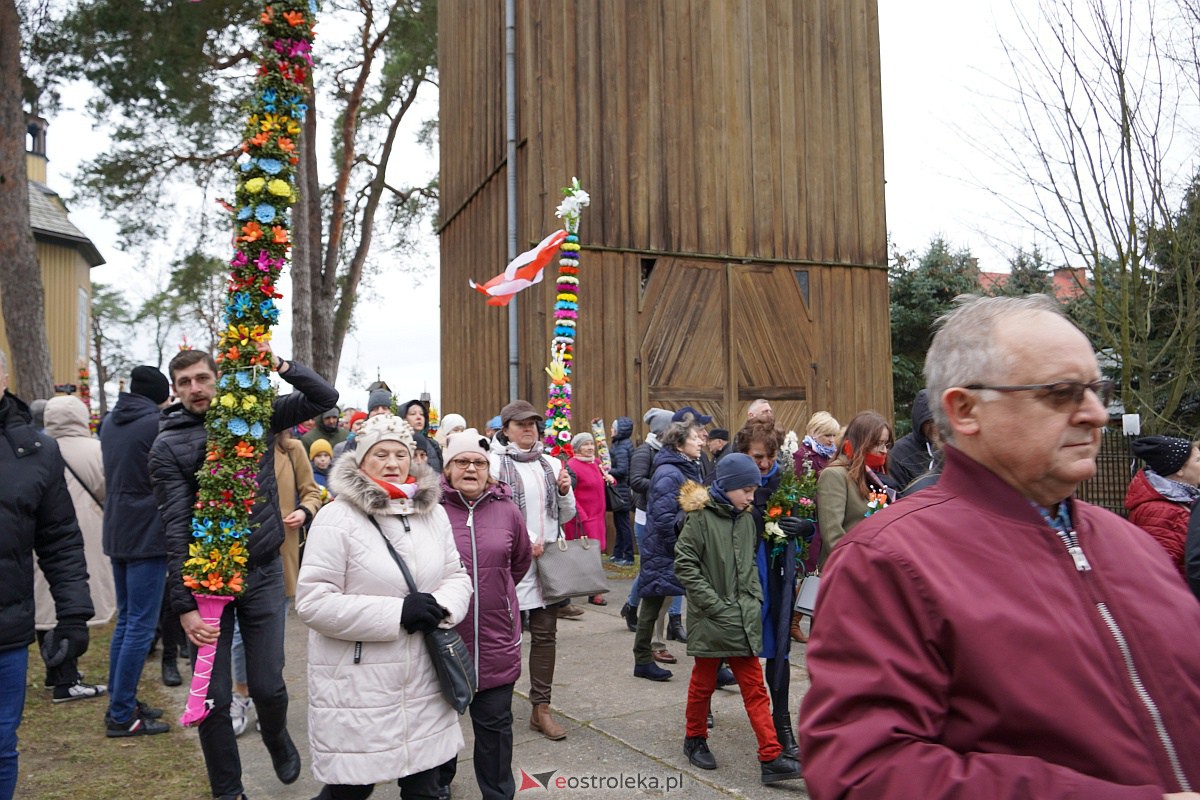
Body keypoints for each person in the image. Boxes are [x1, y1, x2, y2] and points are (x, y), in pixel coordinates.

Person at [798, 293, 1200, 800]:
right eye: (1061, 392)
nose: (1097, 414)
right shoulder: (888, 562)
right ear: (966, 410)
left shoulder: (1134, 547)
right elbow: (863, 774)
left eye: (1099, 389)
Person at [151, 348, 337, 800]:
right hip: (207, 587)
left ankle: (276, 737)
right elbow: (175, 531)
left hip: (263, 573)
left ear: (218, 378)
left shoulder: (254, 415)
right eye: (184, 383)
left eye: (201, 378)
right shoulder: (167, 446)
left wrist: (278, 365)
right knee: (213, 700)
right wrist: (184, 609)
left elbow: (324, 396)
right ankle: (228, 791)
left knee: (270, 686)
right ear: (175, 391)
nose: (195, 388)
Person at [296, 414, 471, 799]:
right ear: (361, 461)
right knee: (350, 792)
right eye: (381, 454)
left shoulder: (433, 513)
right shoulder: (336, 518)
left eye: (400, 454)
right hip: (359, 687)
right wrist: (396, 614)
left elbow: (457, 576)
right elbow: (312, 602)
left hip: (424, 681)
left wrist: (438, 607)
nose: (393, 463)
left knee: (426, 788)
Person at [675, 453, 805, 785]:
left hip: (741, 617)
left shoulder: (746, 518)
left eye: (754, 490)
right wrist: (715, 606)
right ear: (728, 486)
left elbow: (748, 565)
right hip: (712, 616)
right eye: (746, 489)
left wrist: (752, 600)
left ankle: (771, 756)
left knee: (754, 687)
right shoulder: (700, 518)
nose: (752, 496)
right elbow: (685, 565)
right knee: (703, 684)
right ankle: (695, 739)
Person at [0, 350, 93, 800]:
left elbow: (59, 540)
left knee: (0, 746)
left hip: (7, 632)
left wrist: (73, 615)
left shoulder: (36, 450)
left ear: (3, 377)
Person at [437, 428, 532, 800]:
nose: (471, 468)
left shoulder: (507, 510)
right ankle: (438, 785)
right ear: (447, 469)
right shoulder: (431, 511)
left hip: (495, 639)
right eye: (462, 461)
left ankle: (497, 794)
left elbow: (519, 562)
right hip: (444, 640)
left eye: (478, 462)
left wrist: (501, 599)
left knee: (495, 728)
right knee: (441, 724)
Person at [488, 400, 576, 741]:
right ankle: (497, 703)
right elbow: (494, 514)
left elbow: (565, 515)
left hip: (548, 562)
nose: (529, 429)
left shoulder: (551, 463)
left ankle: (541, 708)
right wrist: (527, 539)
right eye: (521, 424)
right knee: (505, 638)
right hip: (510, 562)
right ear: (506, 428)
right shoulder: (493, 464)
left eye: (534, 424)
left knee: (545, 635)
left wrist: (565, 491)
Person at [100, 365, 173, 736]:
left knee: (127, 620)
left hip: (117, 528)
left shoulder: (111, 421)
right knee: (140, 626)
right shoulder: (154, 424)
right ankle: (121, 713)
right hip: (146, 532)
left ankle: (121, 700)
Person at [32, 396, 115, 703]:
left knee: (46, 603)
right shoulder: (98, 449)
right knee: (75, 602)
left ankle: (55, 671)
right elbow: (109, 491)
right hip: (87, 536)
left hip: (41, 537)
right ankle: (68, 678)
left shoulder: (35, 449)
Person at [734, 419, 806, 755]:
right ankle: (697, 724)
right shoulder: (729, 482)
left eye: (770, 457)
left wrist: (803, 527)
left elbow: (806, 518)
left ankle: (782, 727)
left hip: (776, 578)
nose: (764, 464)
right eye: (757, 456)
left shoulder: (783, 483)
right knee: (722, 654)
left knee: (779, 651)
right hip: (741, 582)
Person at [632, 413, 705, 681]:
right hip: (666, 550)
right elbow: (663, 520)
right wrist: (682, 548)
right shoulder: (668, 473)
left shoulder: (687, 467)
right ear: (678, 445)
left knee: (691, 604)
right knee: (652, 604)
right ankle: (642, 659)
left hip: (678, 549)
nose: (700, 443)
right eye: (694, 438)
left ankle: (713, 665)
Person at [622, 407, 682, 656]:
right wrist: (665, 485)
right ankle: (633, 605)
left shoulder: (673, 453)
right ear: (661, 431)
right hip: (647, 519)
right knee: (653, 573)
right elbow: (635, 481)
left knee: (672, 573)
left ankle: (675, 620)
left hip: (670, 517)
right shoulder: (644, 452)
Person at [814, 411, 894, 568]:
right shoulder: (834, 475)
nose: (884, 450)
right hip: (847, 571)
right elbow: (833, 537)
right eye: (878, 443)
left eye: (886, 444)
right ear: (862, 442)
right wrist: (863, 567)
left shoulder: (874, 476)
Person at [1125, 435, 1200, 578]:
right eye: (1198, 460)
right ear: (1179, 470)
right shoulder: (1162, 512)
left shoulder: (1182, 501)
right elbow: (1159, 575)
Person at [275, 427, 325, 600]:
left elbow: (311, 493)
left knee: (276, 614)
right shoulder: (233, 450)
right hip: (239, 550)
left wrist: (304, 511)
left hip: (281, 546)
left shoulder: (292, 449)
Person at [564, 431, 612, 606]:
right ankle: (591, 592)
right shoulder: (572, 465)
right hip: (583, 518)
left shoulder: (597, 463)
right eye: (585, 444)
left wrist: (610, 480)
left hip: (597, 516)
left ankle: (592, 590)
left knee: (595, 554)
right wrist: (580, 515)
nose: (590, 447)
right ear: (577, 448)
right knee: (587, 556)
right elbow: (570, 494)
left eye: (591, 444)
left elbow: (601, 485)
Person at [886, 389, 938, 491]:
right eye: (930, 421)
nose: (936, 427)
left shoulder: (950, 449)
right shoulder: (899, 454)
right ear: (919, 421)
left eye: (938, 420)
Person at [607, 416, 636, 567]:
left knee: (623, 524)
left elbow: (623, 470)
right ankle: (618, 553)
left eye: (613, 428)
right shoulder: (619, 445)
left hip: (622, 490)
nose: (611, 430)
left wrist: (607, 470)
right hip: (620, 490)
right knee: (619, 523)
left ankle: (629, 556)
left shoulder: (622, 446)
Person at [400, 399, 443, 472]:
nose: (419, 417)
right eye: (413, 414)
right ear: (403, 418)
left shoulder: (433, 444)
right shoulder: (399, 443)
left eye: (422, 414)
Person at [797, 412, 838, 478]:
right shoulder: (802, 456)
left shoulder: (835, 453)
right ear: (814, 433)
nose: (832, 440)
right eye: (827, 435)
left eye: (834, 435)